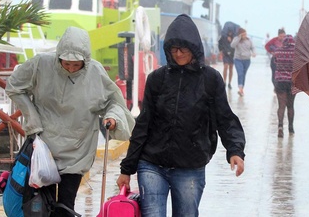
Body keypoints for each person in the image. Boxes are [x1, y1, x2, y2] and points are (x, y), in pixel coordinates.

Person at [116, 14, 246, 217]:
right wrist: (127, 168)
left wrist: (235, 150)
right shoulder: (157, 79)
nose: (178, 54)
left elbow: (225, 118)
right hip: (152, 164)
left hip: (190, 167)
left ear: (194, 48)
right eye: (173, 49)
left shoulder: (210, 79)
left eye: (183, 48)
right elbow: (144, 124)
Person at [5, 26, 135, 216]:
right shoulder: (41, 64)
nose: (71, 68)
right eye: (66, 64)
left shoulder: (96, 73)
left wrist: (112, 118)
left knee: (66, 206)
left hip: (77, 149)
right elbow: (14, 86)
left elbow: (114, 102)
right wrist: (32, 118)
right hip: (44, 148)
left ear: (86, 61)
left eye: (77, 65)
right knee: (39, 206)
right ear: (58, 57)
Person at [272, 34, 296, 138]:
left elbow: (275, 64)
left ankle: (280, 127)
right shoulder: (297, 53)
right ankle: (291, 127)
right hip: (292, 82)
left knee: (281, 106)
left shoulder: (278, 51)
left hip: (280, 81)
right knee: (290, 106)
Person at [230, 28, 256, 96]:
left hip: (247, 60)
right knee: (240, 73)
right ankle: (240, 89)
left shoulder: (249, 40)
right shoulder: (236, 39)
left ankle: (242, 89)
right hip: (238, 59)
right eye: (243, 34)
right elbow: (232, 45)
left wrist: (254, 53)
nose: (245, 35)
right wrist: (239, 38)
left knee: (244, 74)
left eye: (245, 34)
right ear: (240, 34)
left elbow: (253, 47)